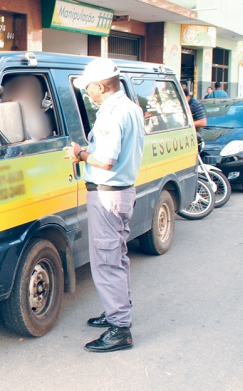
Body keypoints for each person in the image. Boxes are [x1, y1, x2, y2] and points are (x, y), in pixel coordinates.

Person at [64, 58, 145, 353]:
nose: (89, 94)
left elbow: (106, 160)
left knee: (107, 261)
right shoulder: (131, 108)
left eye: (89, 89)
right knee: (117, 256)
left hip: (108, 194)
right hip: (122, 192)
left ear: (100, 86)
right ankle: (115, 309)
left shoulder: (112, 113)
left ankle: (120, 329)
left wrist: (79, 153)